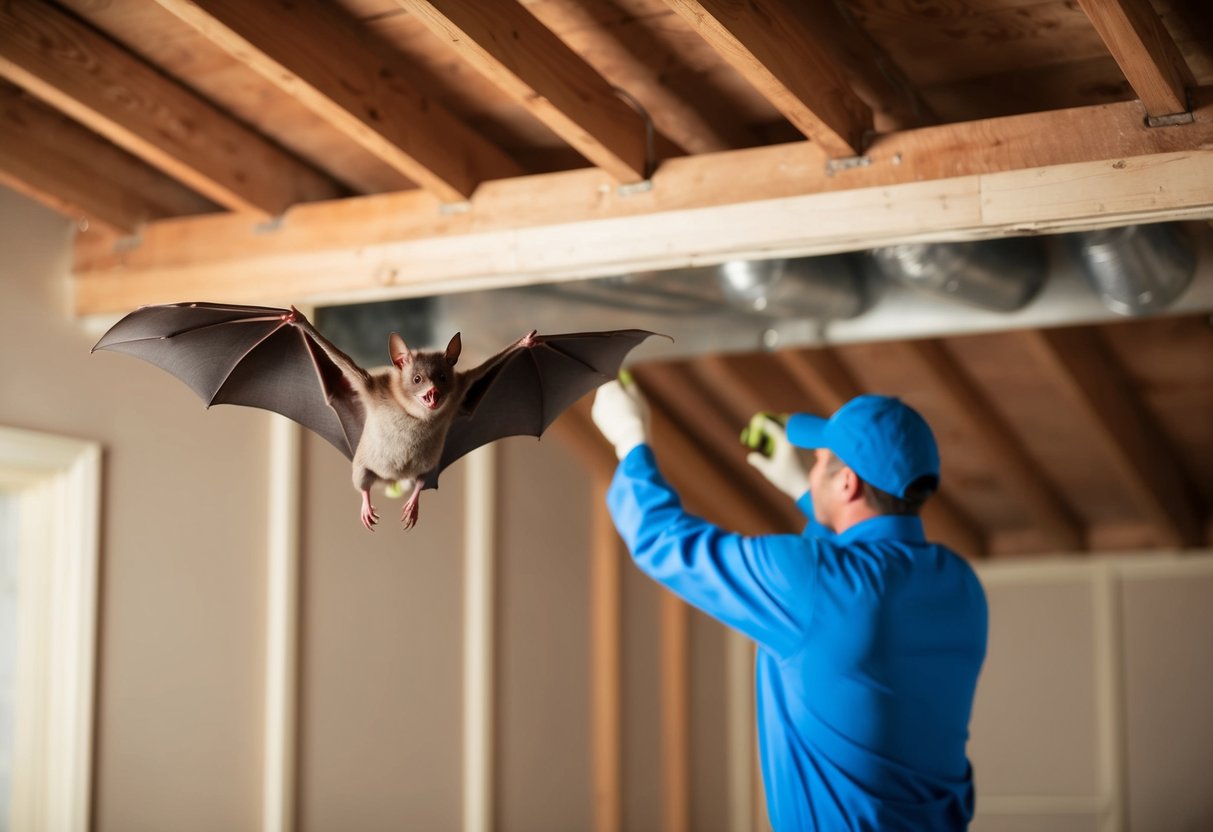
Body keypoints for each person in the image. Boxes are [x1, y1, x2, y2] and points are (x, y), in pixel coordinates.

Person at [591, 380, 988, 831]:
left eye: (818, 459)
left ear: (847, 483)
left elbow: (663, 540)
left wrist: (631, 439)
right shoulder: (960, 585)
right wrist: (807, 494)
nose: (812, 463)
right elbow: (845, 603)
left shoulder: (816, 582)